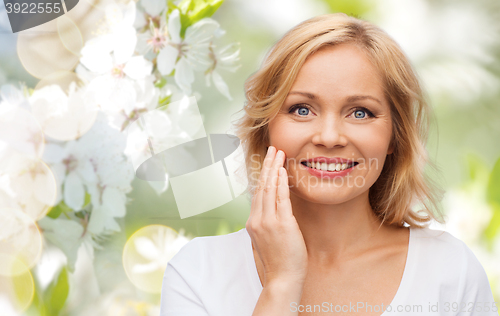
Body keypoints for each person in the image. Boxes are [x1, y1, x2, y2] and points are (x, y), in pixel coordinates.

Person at [160, 13, 498, 316]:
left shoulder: (451, 271)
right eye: (302, 109)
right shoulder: (198, 273)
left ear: (395, 136)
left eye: (360, 112)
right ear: (266, 129)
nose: (330, 136)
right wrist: (281, 285)